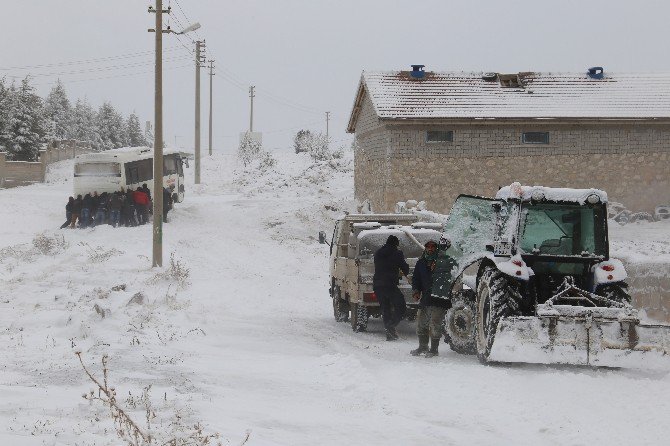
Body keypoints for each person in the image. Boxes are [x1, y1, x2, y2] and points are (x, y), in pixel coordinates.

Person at [410, 240, 450, 358]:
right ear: (426, 248)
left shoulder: (444, 261)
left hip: (439, 298)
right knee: (421, 323)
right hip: (426, 298)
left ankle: (434, 350)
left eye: (433, 247)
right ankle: (423, 346)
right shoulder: (421, 262)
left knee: (435, 324)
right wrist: (416, 291)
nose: (430, 249)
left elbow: (448, 276)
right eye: (428, 247)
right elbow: (416, 278)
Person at [373, 234, 410, 341]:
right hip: (390, 285)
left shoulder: (378, 253)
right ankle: (391, 325)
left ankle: (389, 334)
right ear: (396, 244)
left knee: (385, 308)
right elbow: (405, 269)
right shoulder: (397, 253)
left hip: (377, 285)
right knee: (401, 306)